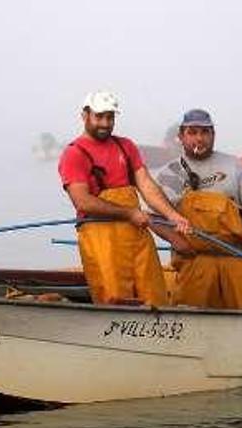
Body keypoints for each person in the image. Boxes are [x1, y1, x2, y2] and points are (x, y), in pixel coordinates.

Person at [58, 91, 191, 306]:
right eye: (99, 117)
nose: (105, 123)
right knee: (116, 300)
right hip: (102, 239)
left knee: (154, 296)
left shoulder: (126, 146)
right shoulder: (74, 154)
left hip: (137, 235)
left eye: (110, 117)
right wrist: (129, 213)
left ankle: (158, 335)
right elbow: (83, 201)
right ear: (85, 116)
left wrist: (173, 216)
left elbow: (146, 185)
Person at [151, 109, 242, 310]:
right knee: (192, 322)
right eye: (193, 132)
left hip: (237, 258)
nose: (200, 138)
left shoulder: (235, 166)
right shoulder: (169, 173)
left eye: (205, 132)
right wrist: (177, 242)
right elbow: (154, 218)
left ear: (213, 134)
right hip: (195, 261)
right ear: (181, 136)